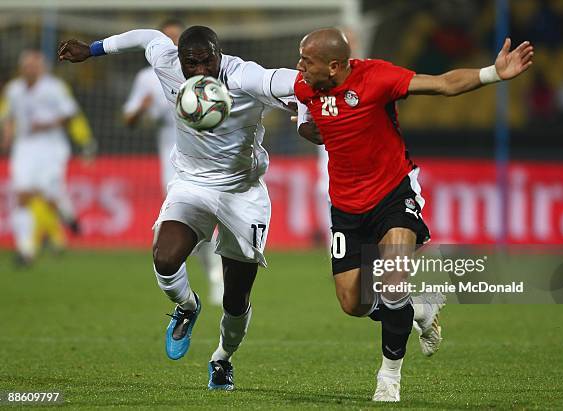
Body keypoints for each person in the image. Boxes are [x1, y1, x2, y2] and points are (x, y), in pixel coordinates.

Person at [294, 28, 534, 402]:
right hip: (345, 207)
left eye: (307, 61)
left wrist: (493, 73)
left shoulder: (377, 77)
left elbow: (441, 85)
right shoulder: (304, 87)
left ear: (335, 65)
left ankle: (389, 378)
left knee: (392, 280)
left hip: (393, 193)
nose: (299, 68)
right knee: (352, 304)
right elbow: (316, 126)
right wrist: (308, 126)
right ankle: (418, 307)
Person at [58, 25, 297, 390]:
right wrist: (93, 50)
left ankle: (222, 358)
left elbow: (291, 82)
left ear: (219, 53)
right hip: (191, 183)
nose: (200, 71)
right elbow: (146, 37)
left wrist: (312, 107)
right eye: (192, 63)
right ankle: (186, 306)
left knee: (236, 297)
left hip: (242, 193)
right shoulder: (166, 61)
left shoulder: (245, 76)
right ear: (179, 59)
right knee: (165, 259)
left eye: (208, 61)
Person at [122, 20, 223, 306]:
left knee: (202, 215)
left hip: (209, 154)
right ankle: (202, 281)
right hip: (172, 153)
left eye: (177, 39)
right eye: (167, 39)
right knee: (188, 221)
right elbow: (128, 119)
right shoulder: (147, 78)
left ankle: (217, 279)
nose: (173, 45)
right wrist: (139, 111)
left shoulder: (209, 71)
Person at [1, 50, 83, 266]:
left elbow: (70, 114)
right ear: (21, 68)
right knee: (22, 195)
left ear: (42, 68)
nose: (31, 69)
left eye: (35, 65)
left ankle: (68, 215)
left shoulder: (54, 88)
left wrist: (47, 124)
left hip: (52, 147)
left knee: (50, 195)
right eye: (27, 65)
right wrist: (7, 138)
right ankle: (25, 250)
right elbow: (9, 116)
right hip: (25, 147)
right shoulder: (13, 90)